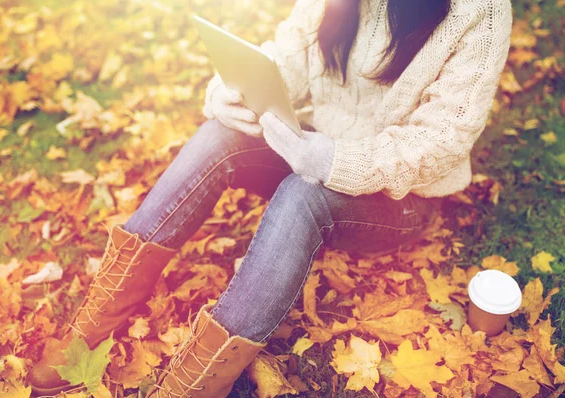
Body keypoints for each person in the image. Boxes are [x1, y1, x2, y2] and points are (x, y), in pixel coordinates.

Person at [27, 0, 513, 396]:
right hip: (312, 147)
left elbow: (443, 139)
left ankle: (195, 385)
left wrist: (338, 163)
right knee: (221, 135)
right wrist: (229, 93)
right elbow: (286, 58)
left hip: (399, 196)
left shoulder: (481, 11)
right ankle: (95, 323)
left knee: (304, 194)